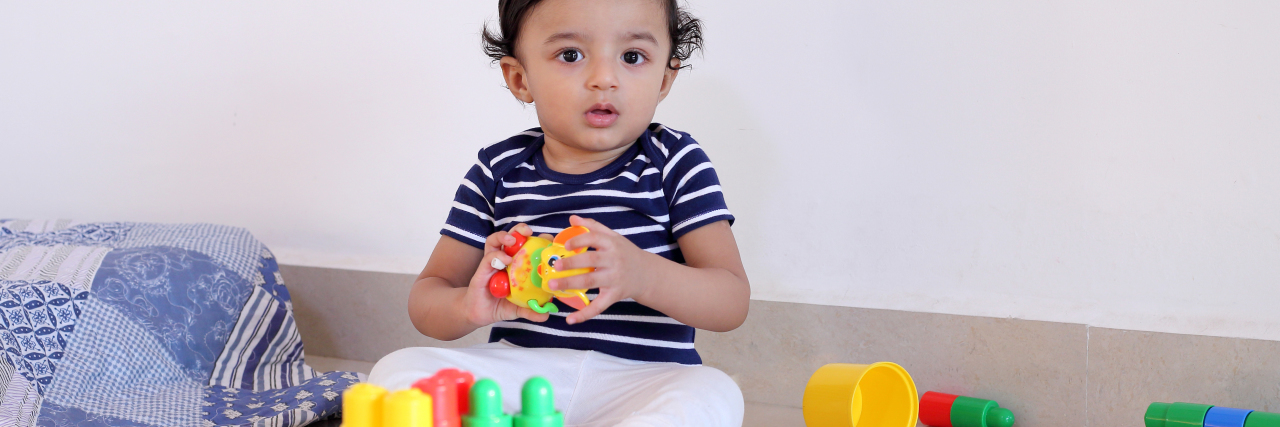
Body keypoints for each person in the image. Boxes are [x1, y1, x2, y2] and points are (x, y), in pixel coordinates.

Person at [367, 0, 750, 424]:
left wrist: (642, 274)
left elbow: (730, 301)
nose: (604, 79)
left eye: (632, 57)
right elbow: (427, 297)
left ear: (664, 78)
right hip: (521, 369)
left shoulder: (675, 161)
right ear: (519, 77)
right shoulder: (497, 170)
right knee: (398, 372)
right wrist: (468, 308)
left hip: (643, 379)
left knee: (714, 393)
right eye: (571, 55)